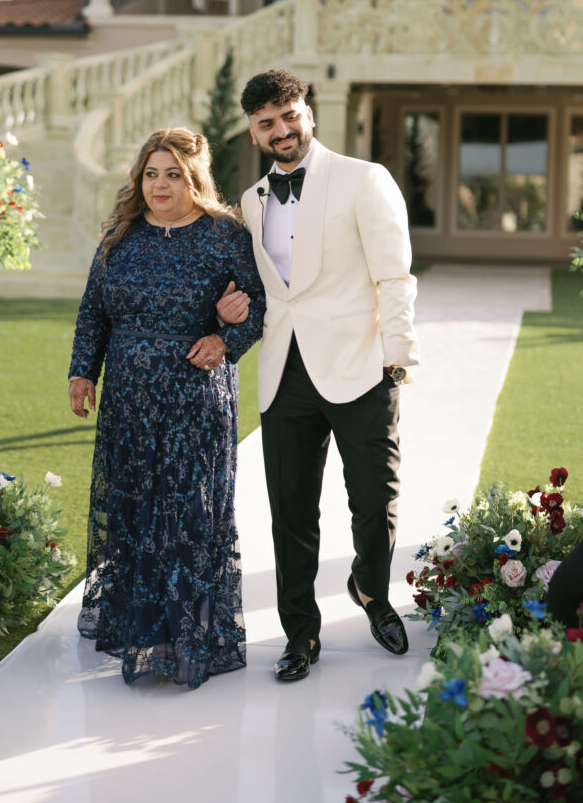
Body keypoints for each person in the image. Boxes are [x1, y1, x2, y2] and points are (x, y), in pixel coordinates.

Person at [228, 69, 420, 682]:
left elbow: (395, 275)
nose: (281, 130)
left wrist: (397, 357)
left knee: (375, 499)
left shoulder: (366, 180)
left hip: (362, 364)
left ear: (306, 111)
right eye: (267, 123)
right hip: (284, 371)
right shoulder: (251, 200)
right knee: (290, 511)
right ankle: (300, 634)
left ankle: (369, 587)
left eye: (289, 115)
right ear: (254, 133)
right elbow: (264, 292)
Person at [68, 127, 264, 689]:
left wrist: (228, 338)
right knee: (135, 505)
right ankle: (138, 626)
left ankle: (187, 634)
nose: (160, 184)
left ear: (194, 178)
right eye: (151, 173)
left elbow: (256, 305)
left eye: (173, 173)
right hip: (129, 396)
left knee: (187, 511)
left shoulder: (226, 236)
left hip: (195, 397)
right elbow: (93, 312)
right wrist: (84, 371)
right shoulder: (119, 235)